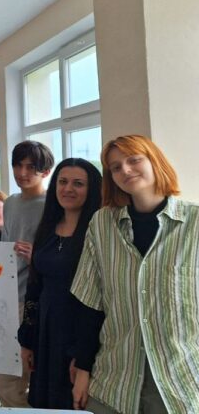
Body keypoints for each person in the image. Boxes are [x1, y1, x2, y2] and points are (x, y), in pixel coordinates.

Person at [70, 135, 199, 414]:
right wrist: (82, 369)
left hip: (181, 383)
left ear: (155, 161)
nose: (125, 170)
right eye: (115, 167)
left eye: (134, 160)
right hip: (114, 381)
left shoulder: (195, 222)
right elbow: (91, 305)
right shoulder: (102, 225)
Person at [17, 158, 102, 408]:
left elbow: (99, 299)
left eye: (78, 184)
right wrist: (27, 340)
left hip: (80, 331)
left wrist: (83, 356)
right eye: (62, 182)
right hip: (45, 332)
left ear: (92, 189)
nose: (68, 189)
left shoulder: (98, 232)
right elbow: (35, 287)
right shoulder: (47, 228)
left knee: (74, 402)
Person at [0, 140, 54, 407]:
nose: (22, 173)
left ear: (46, 171)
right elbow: (5, 245)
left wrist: (37, 258)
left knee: (28, 377)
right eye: (18, 165)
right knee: (7, 381)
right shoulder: (10, 203)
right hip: (8, 295)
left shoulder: (52, 204)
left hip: (37, 298)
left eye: (31, 167)